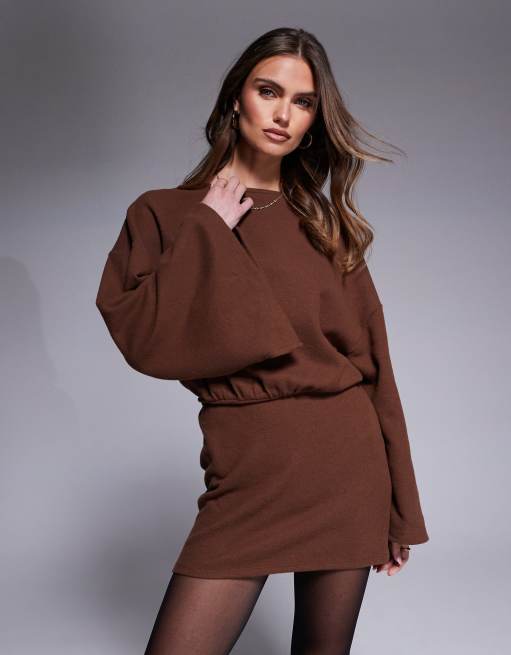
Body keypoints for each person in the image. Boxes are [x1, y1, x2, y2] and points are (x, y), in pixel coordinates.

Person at [96, 26, 429, 655]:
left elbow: (375, 369)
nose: (282, 114)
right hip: (245, 470)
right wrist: (209, 228)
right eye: (268, 91)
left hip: (344, 468)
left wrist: (401, 507)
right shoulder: (164, 213)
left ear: (313, 121)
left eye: (302, 102)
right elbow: (144, 336)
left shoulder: (325, 226)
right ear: (236, 99)